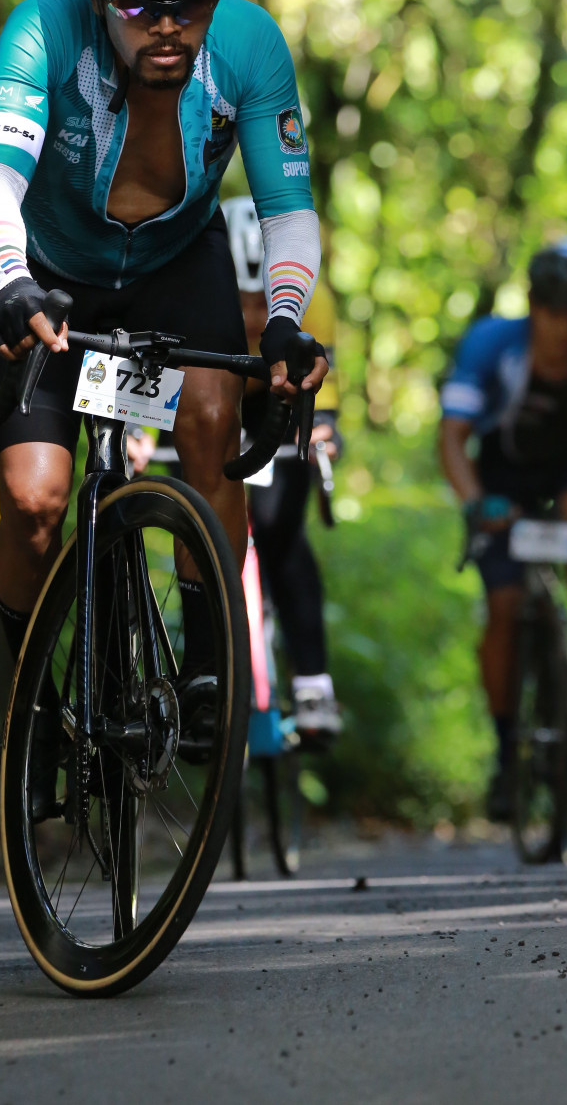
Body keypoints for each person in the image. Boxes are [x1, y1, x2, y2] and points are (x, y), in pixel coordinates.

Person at [0, 0, 328, 813]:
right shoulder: (42, 33)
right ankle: (35, 710)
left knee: (212, 426)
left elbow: (287, 208)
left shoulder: (248, 46)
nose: (168, 28)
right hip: (49, 273)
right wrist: (10, 281)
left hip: (175, 264)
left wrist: (283, 321)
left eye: (192, 4)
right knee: (35, 502)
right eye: (138, 7)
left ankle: (208, 667)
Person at [439, 239, 567, 820]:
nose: (565, 330)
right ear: (533, 307)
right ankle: (505, 756)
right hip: (504, 473)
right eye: (554, 314)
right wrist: (476, 502)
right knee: (503, 607)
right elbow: (453, 437)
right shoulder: (491, 343)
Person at [220, 195, 342, 741]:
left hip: (286, 397)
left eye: (261, 299)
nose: (252, 314)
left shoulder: (312, 299)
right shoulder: (196, 296)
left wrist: (323, 431)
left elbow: (324, 391)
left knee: (280, 531)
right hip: (220, 392)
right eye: (241, 300)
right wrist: (143, 439)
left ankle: (313, 682)